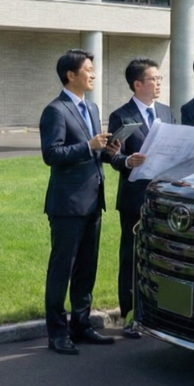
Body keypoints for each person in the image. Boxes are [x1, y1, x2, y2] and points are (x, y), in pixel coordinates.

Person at [40, 49, 121, 356]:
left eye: (93, 69)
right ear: (70, 75)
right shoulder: (55, 110)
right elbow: (52, 155)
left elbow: (92, 153)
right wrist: (88, 145)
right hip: (67, 205)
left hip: (92, 201)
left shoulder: (91, 107)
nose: (93, 74)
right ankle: (57, 333)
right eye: (88, 69)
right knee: (63, 269)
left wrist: (108, 149)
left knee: (86, 268)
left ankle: (82, 325)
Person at [107, 57, 174, 339]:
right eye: (153, 79)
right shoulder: (121, 116)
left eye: (160, 79)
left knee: (168, 257)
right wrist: (126, 161)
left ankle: (167, 312)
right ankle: (131, 314)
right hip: (135, 198)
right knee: (132, 256)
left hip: (166, 196)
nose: (159, 83)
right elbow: (110, 155)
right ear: (138, 84)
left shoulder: (167, 113)